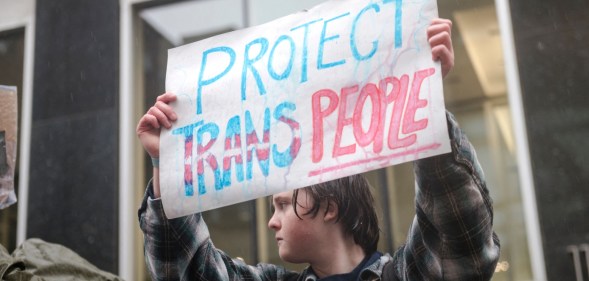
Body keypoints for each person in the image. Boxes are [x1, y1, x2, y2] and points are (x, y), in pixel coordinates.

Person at [136, 18, 500, 281]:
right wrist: (166, 165)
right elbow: (184, 270)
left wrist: (427, 102)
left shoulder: (406, 275)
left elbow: (458, 237)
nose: (271, 221)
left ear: (329, 205)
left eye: (281, 204)